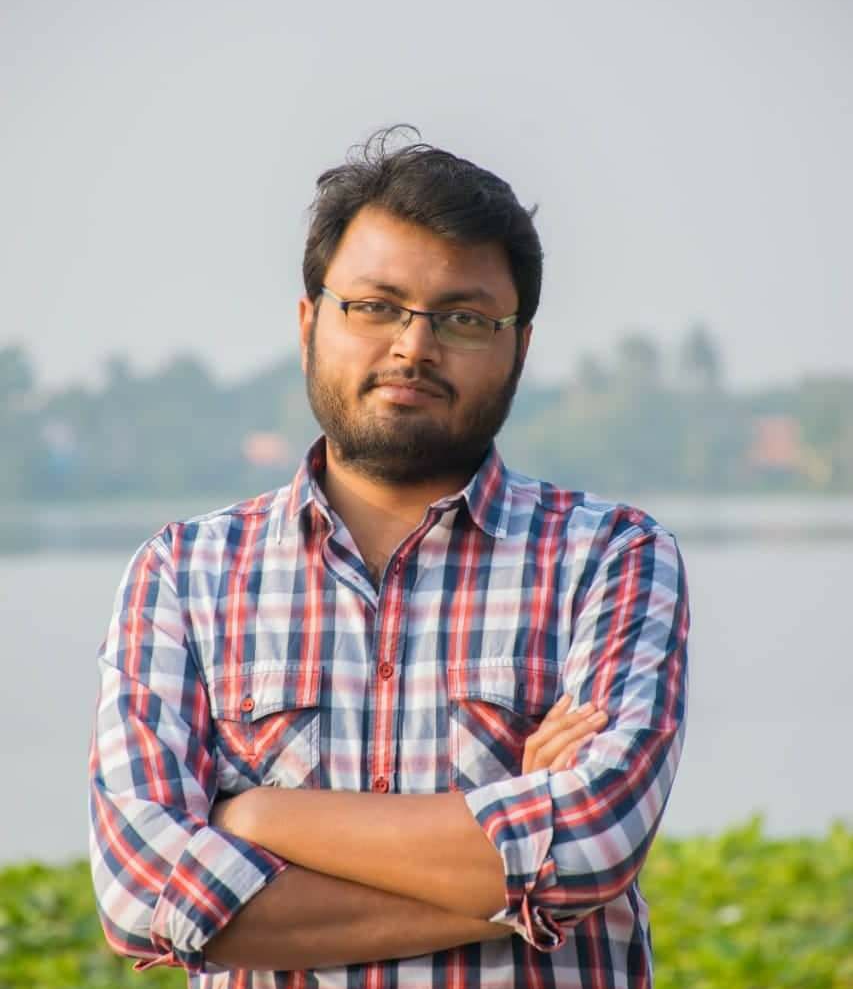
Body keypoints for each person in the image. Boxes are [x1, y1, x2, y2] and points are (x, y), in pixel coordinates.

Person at [89, 127, 690, 988]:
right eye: (375, 306)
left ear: (519, 347)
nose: (413, 346)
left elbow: (590, 845)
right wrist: (518, 881)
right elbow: (141, 896)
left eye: (463, 318)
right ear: (309, 321)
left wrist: (254, 815)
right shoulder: (183, 576)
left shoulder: (610, 559)